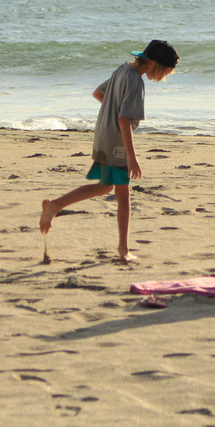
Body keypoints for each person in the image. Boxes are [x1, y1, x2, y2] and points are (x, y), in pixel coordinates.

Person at [39, 40, 179, 262]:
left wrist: (111, 114)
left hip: (104, 134)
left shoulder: (123, 69)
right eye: (164, 72)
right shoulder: (135, 83)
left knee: (105, 187)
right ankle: (123, 250)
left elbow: (98, 93)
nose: (163, 77)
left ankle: (55, 205)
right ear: (152, 64)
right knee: (123, 195)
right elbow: (124, 118)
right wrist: (132, 158)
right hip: (117, 142)